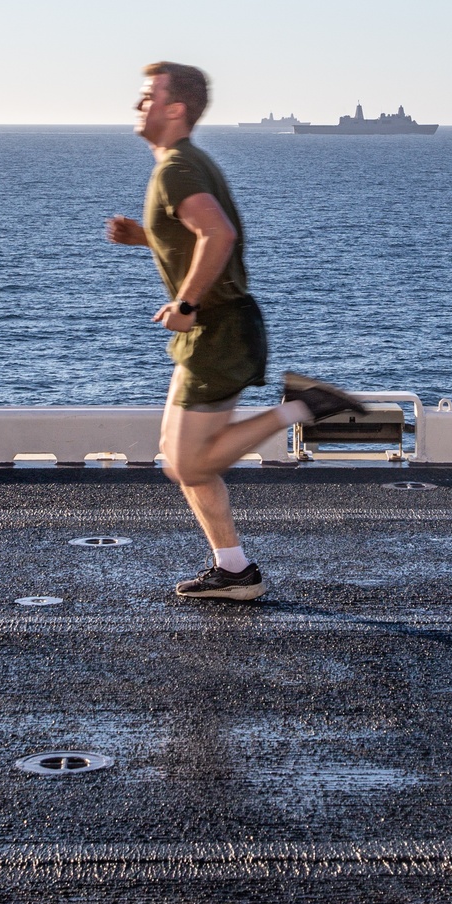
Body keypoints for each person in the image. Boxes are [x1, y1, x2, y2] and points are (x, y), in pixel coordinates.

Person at [107, 61, 364, 602]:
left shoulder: (177, 168)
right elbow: (196, 233)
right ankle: (234, 569)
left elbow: (217, 235)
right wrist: (147, 236)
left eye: (149, 96)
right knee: (181, 460)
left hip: (217, 332)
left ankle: (302, 408)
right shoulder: (184, 163)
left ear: (175, 108)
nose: (138, 104)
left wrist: (185, 303)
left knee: (188, 464)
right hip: (215, 331)